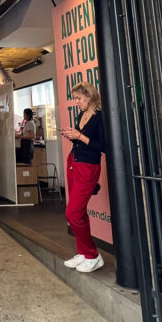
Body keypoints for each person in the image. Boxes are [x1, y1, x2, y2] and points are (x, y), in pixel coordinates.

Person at [61, 81, 106, 273]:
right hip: (74, 162)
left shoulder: (99, 117)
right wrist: (73, 136)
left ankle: (93, 255)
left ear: (89, 96)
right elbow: (81, 139)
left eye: (79, 98)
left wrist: (79, 136)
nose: (76, 102)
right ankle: (83, 252)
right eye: (75, 98)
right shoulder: (82, 114)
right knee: (78, 213)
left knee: (72, 213)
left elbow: (101, 146)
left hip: (88, 166)